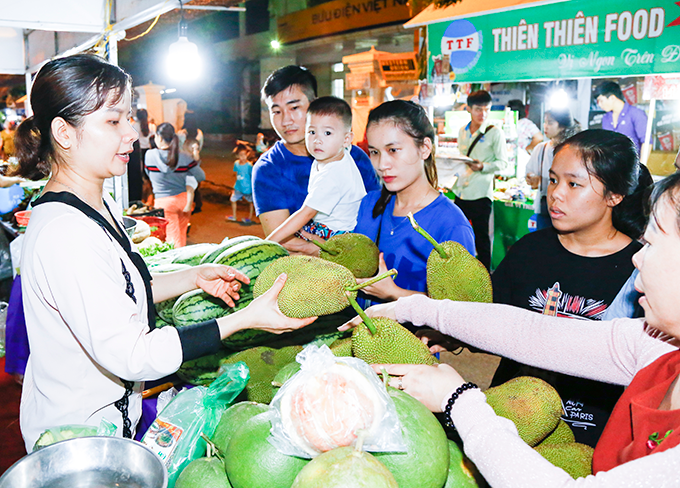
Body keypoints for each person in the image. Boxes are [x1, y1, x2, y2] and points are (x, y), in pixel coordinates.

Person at [10, 54, 315, 452]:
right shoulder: (65, 234)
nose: (132, 135)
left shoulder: (93, 206)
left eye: (128, 118)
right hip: (78, 442)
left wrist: (195, 275)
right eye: (113, 121)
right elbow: (135, 355)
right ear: (64, 133)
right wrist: (241, 321)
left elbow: (123, 289)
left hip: (110, 424)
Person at [344, 170, 680, 486]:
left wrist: (459, 400)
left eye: (651, 244)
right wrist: (419, 308)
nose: (637, 258)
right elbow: (536, 335)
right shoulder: (658, 345)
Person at [489, 130, 654, 447]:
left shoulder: (640, 270)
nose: (556, 194)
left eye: (573, 184)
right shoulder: (529, 250)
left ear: (614, 195)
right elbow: (489, 318)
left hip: (590, 438)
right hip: (510, 421)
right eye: (552, 180)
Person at [353, 100, 475, 305]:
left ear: (424, 148)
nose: (382, 165)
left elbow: (463, 309)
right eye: (374, 152)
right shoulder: (369, 204)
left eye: (393, 150)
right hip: (358, 331)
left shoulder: (451, 225)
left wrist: (394, 293)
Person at [252, 65, 380, 255]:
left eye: (294, 107)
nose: (286, 120)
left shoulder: (353, 156)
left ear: (314, 105)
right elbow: (282, 242)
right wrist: (336, 253)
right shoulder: (267, 169)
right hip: (305, 273)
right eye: (276, 111)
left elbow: (376, 215)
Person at [267, 96, 365, 243]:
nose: (317, 140)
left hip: (335, 235)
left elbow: (305, 214)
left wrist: (266, 242)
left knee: (289, 244)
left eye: (327, 133)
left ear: (346, 139)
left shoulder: (332, 176)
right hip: (333, 226)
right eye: (312, 132)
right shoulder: (337, 151)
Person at [452, 90, 508, 270]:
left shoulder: (494, 133)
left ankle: (484, 277)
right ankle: (458, 271)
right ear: (468, 108)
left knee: (482, 238)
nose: (482, 114)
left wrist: (483, 166)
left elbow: (502, 164)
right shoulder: (462, 131)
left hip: (481, 194)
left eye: (486, 110)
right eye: (478, 109)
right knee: (458, 235)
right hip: (461, 191)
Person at [144, 123, 204, 247]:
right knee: (181, 234)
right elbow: (201, 176)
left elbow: (148, 174)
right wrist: (186, 178)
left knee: (172, 240)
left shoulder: (149, 155)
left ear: (159, 138)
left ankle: (177, 264)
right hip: (184, 201)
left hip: (164, 202)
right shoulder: (184, 156)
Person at [525, 107, 581, 230]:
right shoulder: (541, 149)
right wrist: (532, 178)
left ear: (562, 126)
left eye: (550, 123)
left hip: (570, 209)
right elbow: (529, 175)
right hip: (545, 209)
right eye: (545, 122)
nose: (545, 126)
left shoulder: (577, 150)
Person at [597, 81, 649, 156]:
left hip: (632, 163)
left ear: (612, 98)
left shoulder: (636, 114)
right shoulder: (606, 118)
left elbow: (646, 142)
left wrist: (641, 165)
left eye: (601, 101)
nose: (599, 105)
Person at [227, 142, 255, 224]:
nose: (242, 157)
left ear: (247, 155)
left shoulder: (249, 165)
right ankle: (234, 216)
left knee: (251, 202)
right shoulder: (236, 163)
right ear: (237, 156)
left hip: (248, 188)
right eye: (240, 155)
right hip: (238, 187)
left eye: (244, 155)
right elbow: (237, 174)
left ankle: (249, 218)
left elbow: (252, 175)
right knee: (233, 199)